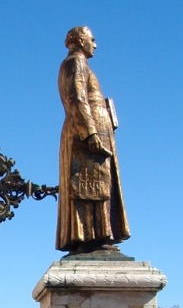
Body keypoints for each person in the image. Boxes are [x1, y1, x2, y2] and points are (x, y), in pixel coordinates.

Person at [56, 25, 130, 253]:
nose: (95, 45)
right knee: (91, 186)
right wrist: (90, 132)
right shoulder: (75, 63)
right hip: (86, 133)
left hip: (92, 129)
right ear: (79, 41)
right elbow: (77, 98)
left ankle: (99, 233)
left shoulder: (81, 64)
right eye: (92, 39)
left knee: (98, 185)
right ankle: (92, 236)